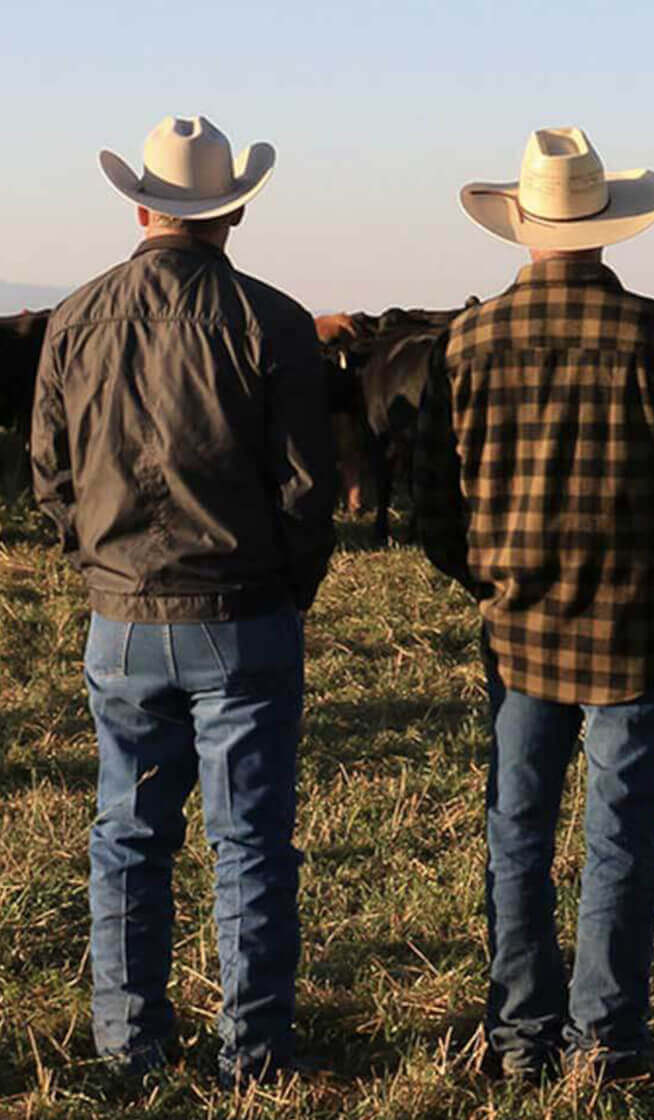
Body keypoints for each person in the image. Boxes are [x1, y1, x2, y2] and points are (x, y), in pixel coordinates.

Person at [414, 126, 654, 1081]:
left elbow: (433, 507)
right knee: (619, 838)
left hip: (518, 635)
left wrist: (489, 575)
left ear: (521, 228)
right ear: (606, 228)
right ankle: (606, 1041)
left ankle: (521, 1037)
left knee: (516, 836)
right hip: (635, 632)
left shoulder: (466, 340)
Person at [30, 115, 336, 1086]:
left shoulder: (72, 318)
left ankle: (131, 1050)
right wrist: (289, 588)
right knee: (248, 844)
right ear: (233, 208)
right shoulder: (273, 320)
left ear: (139, 203)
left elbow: (48, 472)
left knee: (126, 837)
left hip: (120, 618)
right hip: (242, 614)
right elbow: (305, 486)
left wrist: (95, 565)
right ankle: (254, 1054)